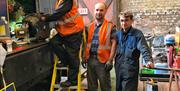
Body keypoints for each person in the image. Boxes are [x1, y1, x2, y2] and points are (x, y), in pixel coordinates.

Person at [41, 0, 84, 87]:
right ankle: (65, 60)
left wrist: (45, 18)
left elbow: (58, 13)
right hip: (65, 31)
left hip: (74, 30)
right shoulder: (60, 1)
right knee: (54, 42)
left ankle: (72, 80)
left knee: (72, 55)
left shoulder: (67, 1)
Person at [115, 11, 154, 91]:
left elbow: (144, 48)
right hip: (119, 69)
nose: (124, 23)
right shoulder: (117, 35)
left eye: (126, 20)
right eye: (122, 20)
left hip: (130, 69)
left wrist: (148, 61)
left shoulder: (137, 35)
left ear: (131, 21)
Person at [82, 2, 117, 91]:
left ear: (105, 11)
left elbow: (114, 43)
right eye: (97, 10)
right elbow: (86, 43)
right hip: (90, 60)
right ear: (94, 11)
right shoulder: (89, 26)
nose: (99, 12)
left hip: (103, 62)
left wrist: (110, 60)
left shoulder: (110, 26)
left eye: (101, 10)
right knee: (91, 87)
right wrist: (84, 56)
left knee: (105, 87)